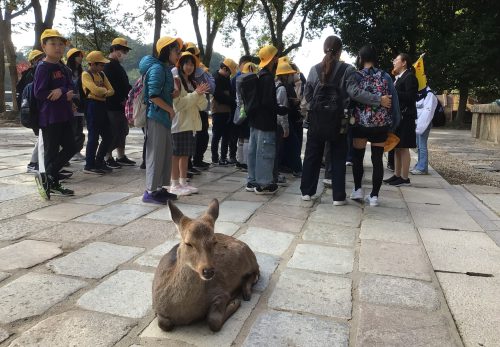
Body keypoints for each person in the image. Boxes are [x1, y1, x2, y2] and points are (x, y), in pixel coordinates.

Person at [300, 35, 392, 205]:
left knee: (312, 156)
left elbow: (307, 95)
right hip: (339, 121)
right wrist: (379, 99)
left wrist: (316, 109)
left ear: (324, 49)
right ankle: (338, 196)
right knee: (338, 157)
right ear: (340, 50)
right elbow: (355, 93)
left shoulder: (313, 69)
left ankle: (307, 192)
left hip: (317, 120)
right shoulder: (347, 69)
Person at [349, 45, 400, 206]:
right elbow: (394, 103)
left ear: (361, 58)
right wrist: (393, 124)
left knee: (358, 157)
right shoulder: (385, 76)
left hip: (360, 123)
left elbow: (351, 99)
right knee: (377, 159)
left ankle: (357, 189)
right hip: (380, 124)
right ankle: (374, 196)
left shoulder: (356, 76)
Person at [34, 29, 77, 196]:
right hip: (50, 116)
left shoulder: (62, 66)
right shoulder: (43, 68)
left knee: (71, 146)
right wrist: (60, 94)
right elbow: (39, 93)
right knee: (51, 152)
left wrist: (61, 90)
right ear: (44, 47)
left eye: (61, 44)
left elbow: (70, 86)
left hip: (64, 114)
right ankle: (52, 182)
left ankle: (48, 175)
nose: (58, 47)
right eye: (53, 44)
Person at [139, 36, 182, 204]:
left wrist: (174, 93)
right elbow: (153, 95)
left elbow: (163, 92)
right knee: (155, 154)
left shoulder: (165, 69)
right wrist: (169, 108)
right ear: (166, 51)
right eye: (175, 51)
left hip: (163, 118)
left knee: (165, 154)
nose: (178, 55)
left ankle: (160, 189)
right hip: (156, 117)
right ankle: (150, 191)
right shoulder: (157, 68)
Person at [170, 52, 209, 196]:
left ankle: (183, 182)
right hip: (179, 123)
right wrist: (196, 94)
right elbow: (178, 105)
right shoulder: (177, 81)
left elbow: (203, 105)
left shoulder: (193, 82)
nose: (189, 67)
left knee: (185, 154)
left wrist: (199, 93)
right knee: (176, 154)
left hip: (190, 124)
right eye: (186, 63)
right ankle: (174, 184)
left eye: (192, 64)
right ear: (180, 65)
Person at [246, 45, 281, 195]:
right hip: (266, 122)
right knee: (265, 152)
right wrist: (281, 109)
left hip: (254, 121)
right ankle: (264, 184)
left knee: (254, 151)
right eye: (276, 56)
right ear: (273, 59)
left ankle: (252, 180)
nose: (278, 59)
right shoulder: (268, 78)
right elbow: (268, 103)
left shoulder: (259, 75)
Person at [383, 53, 418, 187]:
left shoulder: (410, 77)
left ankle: (404, 177)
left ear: (404, 63)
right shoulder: (399, 78)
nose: (394, 62)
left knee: (404, 147)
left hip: (406, 117)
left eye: (396, 60)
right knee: (397, 146)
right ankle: (397, 175)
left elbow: (411, 97)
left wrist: (393, 93)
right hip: (399, 117)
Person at [81, 51, 115, 175]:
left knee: (108, 135)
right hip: (92, 106)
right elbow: (95, 89)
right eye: (101, 64)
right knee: (93, 137)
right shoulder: (86, 74)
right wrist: (104, 91)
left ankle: (99, 161)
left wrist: (102, 92)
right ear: (93, 64)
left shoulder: (102, 74)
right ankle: (89, 165)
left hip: (102, 105)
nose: (103, 67)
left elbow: (112, 90)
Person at [184, 42, 215, 171]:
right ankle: (189, 165)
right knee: (191, 138)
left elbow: (211, 88)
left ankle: (192, 163)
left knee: (196, 136)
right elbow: (211, 87)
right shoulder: (200, 71)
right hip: (191, 108)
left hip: (197, 106)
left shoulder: (199, 70)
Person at [104, 38, 134, 168]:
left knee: (122, 131)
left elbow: (124, 85)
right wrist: (120, 99)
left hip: (122, 105)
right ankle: (107, 156)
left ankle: (121, 156)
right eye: (123, 50)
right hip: (112, 105)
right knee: (112, 132)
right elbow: (109, 87)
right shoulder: (107, 65)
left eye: (125, 51)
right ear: (115, 49)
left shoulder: (118, 66)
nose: (124, 54)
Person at [19, 49, 44, 173]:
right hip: (35, 112)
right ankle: (33, 163)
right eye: (39, 58)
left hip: (38, 111)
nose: (42, 59)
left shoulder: (36, 71)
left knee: (42, 138)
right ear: (33, 60)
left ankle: (38, 163)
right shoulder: (31, 74)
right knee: (42, 138)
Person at [211, 58, 237, 166]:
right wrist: (232, 101)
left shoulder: (227, 79)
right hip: (218, 111)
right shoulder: (215, 78)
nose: (230, 75)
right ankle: (215, 158)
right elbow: (218, 96)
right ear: (225, 69)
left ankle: (223, 157)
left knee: (226, 136)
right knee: (216, 135)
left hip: (227, 111)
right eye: (229, 72)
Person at [274, 57, 294, 186]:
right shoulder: (281, 89)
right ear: (285, 76)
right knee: (277, 150)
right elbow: (282, 110)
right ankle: (275, 174)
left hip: (271, 122)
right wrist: (286, 128)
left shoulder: (274, 84)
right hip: (278, 124)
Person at [234, 61, 257, 171]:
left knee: (241, 138)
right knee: (247, 138)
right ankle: (247, 163)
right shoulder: (254, 81)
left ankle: (240, 161)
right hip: (250, 112)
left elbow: (238, 98)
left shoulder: (239, 79)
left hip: (240, 111)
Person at [411, 86, 437, 175]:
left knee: (422, 145)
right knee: (419, 145)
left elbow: (428, 112)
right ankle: (420, 165)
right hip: (419, 122)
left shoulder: (429, 94)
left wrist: (421, 125)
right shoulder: (421, 93)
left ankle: (422, 168)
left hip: (424, 123)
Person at [66, 47, 86, 162]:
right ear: (72, 57)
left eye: (81, 56)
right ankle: (71, 151)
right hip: (71, 103)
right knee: (72, 129)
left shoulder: (82, 72)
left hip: (80, 103)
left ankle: (77, 151)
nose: (80, 58)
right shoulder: (67, 71)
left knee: (79, 128)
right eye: (79, 55)